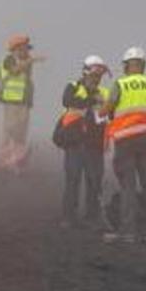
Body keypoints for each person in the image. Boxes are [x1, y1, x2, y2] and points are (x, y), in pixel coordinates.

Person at [100, 46, 146, 244]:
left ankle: (128, 232)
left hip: (125, 142)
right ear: (143, 65)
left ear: (126, 65)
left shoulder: (121, 84)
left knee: (128, 186)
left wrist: (106, 108)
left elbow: (104, 111)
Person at [54, 55, 111, 226]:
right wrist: (91, 100)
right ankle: (68, 217)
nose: (97, 79)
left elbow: (112, 114)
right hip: (75, 143)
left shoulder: (105, 93)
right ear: (85, 72)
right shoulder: (73, 87)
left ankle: (92, 217)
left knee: (94, 182)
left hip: (95, 144)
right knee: (73, 180)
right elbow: (68, 101)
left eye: (99, 76)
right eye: (94, 75)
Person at [0, 34, 43, 174]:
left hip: (23, 102)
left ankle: (16, 159)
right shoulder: (9, 60)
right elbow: (14, 71)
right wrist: (31, 61)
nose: (26, 52)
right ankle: (3, 159)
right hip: (11, 100)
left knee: (21, 130)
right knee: (10, 129)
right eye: (23, 48)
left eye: (27, 49)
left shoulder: (25, 62)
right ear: (16, 49)